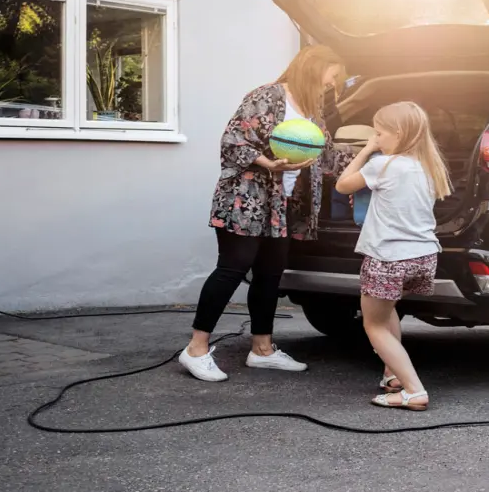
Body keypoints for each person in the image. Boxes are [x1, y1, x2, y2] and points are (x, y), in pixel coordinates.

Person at [178, 45, 349, 382]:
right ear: (314, 69)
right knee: (231, 269)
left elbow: (325, 154)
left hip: (280, 205)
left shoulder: (312, 109)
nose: (331, 86)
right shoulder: (268, 95)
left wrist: (376, 154)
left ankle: (262, 349)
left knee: (271, 274)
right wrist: (268, 163)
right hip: (246, 200)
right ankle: (195, 349)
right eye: (331, 78)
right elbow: (234, 140)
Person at [334, 101, 451, 411]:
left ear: (397, 134)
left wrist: (365, 150)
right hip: (424, 256)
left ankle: (414, 390)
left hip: (388, 258)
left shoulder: (382, 164)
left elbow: (342, 184)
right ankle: (393, 376)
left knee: (373, 324)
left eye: (379, 133)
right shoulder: (428, 166)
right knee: (387, 314)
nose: (376, 138)